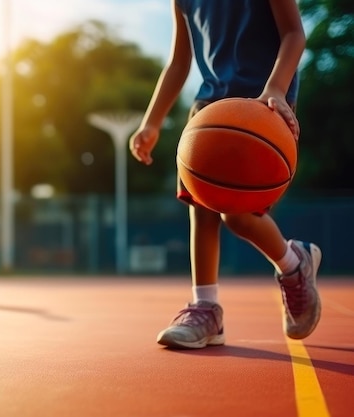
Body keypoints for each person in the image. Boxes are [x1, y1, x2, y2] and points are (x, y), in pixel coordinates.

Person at [129, 0, 321, 349]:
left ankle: (294, 265)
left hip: (262, 103)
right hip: (209, 109)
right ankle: (205, 307)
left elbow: (294, 34)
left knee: (237, 217)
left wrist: (276, 89)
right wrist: (152, 121)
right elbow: (179, 62)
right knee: (200, 208)